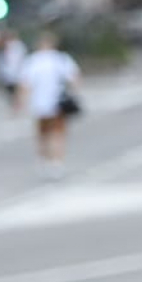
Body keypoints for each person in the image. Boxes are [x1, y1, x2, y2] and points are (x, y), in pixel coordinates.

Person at [18, 30, 83, 175]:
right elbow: (75, 78)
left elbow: (25, 84)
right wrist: (74, 93)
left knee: (43, 134)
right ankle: (57, 161)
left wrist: (20, 102)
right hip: (57, 102)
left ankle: (44, 160)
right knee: (58, 134)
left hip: (39, 104)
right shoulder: (61, 59)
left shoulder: (33, 61)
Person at [0, 31, 28, 116]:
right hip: (7, 72)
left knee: (16, 89)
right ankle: (15, 104)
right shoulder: (5, 45)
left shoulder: (19, 45)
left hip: (17, 72)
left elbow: (22, 58)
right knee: (10, 90)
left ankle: (16, 105)